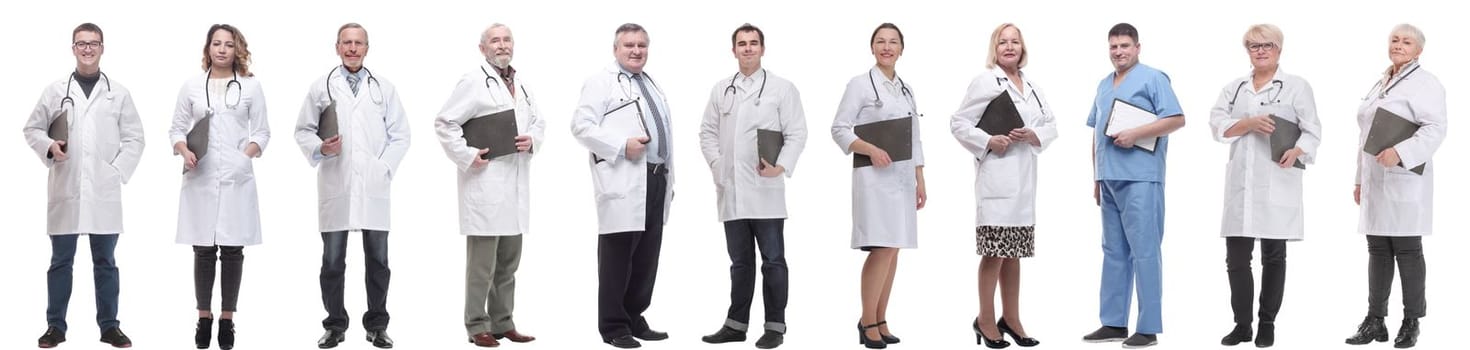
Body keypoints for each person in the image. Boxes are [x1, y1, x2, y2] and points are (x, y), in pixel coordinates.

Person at [23, 22, 143, 349]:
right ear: (73, 48)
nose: (87, 48)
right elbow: (32, 129)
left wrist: (115, 171)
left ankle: (109, 327)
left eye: (93, 43)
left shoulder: (118, 92)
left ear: (103, 48)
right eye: (81, 43)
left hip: (104, 192)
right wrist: (49, 147)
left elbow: (135, 138)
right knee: (61, 262)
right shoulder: (54, 90)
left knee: (106, 262)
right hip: (66, 188)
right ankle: (55, 328)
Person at [293, 23, 411, 350]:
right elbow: (303, 130)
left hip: (373, 186)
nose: (353, 48)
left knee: (379, 262)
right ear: (337, 47)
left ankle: (377, 325)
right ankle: (334, 325)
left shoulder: (383, 88)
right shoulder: (322, 88)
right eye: (347, 42)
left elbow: (401, 134)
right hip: (337, 182)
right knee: (332, 261)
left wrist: (383, 167)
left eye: (359, 43)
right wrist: (320, 148)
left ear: (367, 48)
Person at [1207, 24, 1320, 349]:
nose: (1260, 50)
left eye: (1266, 45)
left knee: (1274, 255)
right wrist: (1247, 123)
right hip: (1242, 181)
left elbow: (1312, 130)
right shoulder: (1235, 87)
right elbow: (1216, 124)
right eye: (1253, 46)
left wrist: (1298, 150)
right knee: (1237, 258)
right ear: (1247, 51)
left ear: (1279, 49)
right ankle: (1242, 325)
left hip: (1277, 178)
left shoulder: (1297, 86)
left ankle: (1266, 323)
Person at [697, 23, 808, 350]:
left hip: (765, 190)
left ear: (762, 48)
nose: (747, 48)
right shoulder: (722, 89)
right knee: (740, 263)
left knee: (773, 260)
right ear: (734, 50)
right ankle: (736, 325)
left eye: (753, 43)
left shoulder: (781, 88)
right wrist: (718, 166)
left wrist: (781, 166)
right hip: (731, 191)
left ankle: (775, 326)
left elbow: (797, 133)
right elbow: (706, 133)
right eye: (742, 44)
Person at [433, 23, 544, 348]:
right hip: (485, 185)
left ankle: (503, 322)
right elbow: (445, 122)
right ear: (482, 48)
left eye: (507, 39)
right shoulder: (472, 82)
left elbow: (538, 120)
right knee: (482, 266)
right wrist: (467, 155)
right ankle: (476, 324)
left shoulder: (520, 83)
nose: (502, 45)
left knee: (509, 264)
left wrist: (532, 139)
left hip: (515, 186)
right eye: (495, 40)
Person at [1078, 23, 1185, 349]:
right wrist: (1097, 178)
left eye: (1125, 45)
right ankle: (1113, 322)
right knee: (1113, 252)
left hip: (1141, 177)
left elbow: (1177, 119)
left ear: (1138, 47)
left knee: (1145, 253)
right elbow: (1096, 134)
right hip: (1109, 179)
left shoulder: (1154, 78)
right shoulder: (1102, 85)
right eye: (1114, 46)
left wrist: (1135, 134)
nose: (1119, 52)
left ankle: (1148, 327)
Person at [949, 22, 1055, 349]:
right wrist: (988, 140)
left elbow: (1051, 124)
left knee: (1014, 255)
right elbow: (958, 123)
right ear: (994, 49)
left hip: (1023, 184)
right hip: (997, 180)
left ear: (1023, 48)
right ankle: (984, 318)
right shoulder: (986, 81)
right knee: (995, 253)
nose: (1009, 47)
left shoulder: (1032, 87)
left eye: (1015, 42)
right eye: (1002, 43)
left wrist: (1033, 134)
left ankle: (1011, 318)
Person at [570, 23, 675, 349]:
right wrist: (620, 145)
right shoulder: (601, 82)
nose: (636, 51)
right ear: (616, 49)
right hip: (626, 179)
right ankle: (614, 326)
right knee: (618, 257)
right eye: (629, 45)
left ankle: (634, 316)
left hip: (656, 178)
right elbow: (580, 126)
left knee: (647, 256)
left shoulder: (650, 83)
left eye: (642, 45)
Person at [169, 23, 270, 350]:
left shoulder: (251, 87)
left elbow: (263, 132)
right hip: (201, 176)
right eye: (216, 43)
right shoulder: (192, 87)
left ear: (236, 49)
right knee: (202, 249)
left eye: (228, 44)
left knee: (232, 250)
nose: (222, 49)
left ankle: (227, 319)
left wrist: (245, 156)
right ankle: (203, 317)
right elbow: (176, 129)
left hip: (236, 177)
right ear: (208, 48)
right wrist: (184, 150)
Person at [1343, 23, 1444, 350]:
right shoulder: (1381, 83)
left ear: (1419, 50)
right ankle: (1375, 320)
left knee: (1407, 251)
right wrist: (1360, 179)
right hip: (1376, 179)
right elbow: (1365, 138)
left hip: (1403, 178)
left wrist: (1400, 153)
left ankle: (1411, 321)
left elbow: (1435, 129)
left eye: (1407, 42)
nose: (1399, 45)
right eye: (1395, 40)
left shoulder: (1426, 84)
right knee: (1377, 251)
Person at [831, 22, 925, 350]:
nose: (887, 47)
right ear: (872, 48)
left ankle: (881, 318)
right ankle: (866, 320)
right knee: (881, 247)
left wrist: (920, 179)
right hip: (873, 178)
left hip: (901, 179)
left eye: (893, 42)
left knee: (894, 248)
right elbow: (839, 128)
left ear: (902, 49)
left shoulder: (906, 88)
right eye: (880, 42)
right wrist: (870, 148)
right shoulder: (859, 84)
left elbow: (915, 137)